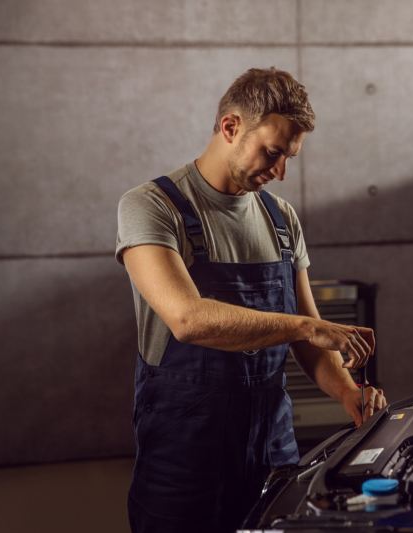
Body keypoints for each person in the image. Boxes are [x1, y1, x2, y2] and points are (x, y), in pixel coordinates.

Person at [115, 67, 386, 532]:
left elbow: (309, 342)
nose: (279, 172)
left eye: (289, 159)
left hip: (271, 449)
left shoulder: (282, 220)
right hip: (183, 457)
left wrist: (348, 391)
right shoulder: (150, 207)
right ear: (230, 127)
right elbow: (188, 320)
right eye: (273, 153)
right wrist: (303, 326)